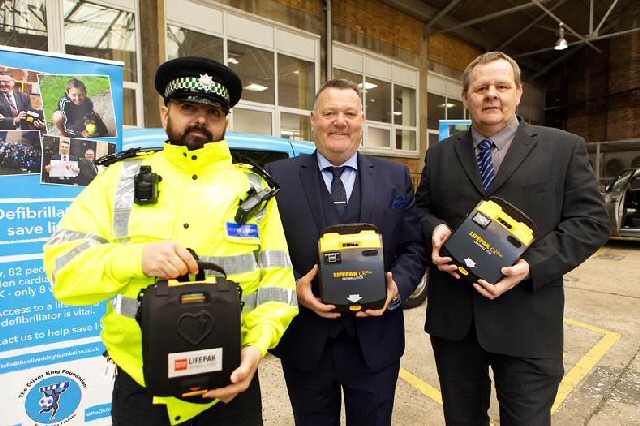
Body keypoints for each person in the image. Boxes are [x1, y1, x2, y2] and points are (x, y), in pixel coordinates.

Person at [43, 56, 299, 425]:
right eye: (187, 107)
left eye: (212, 111)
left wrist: (256, 350)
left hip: (231, 386)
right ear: (165, 113)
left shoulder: (253, 191)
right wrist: (134, 259)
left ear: (225, 121)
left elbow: (278, 287)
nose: (199, 118)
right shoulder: (119, 180)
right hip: (141, 388)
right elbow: (63, 269)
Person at [415, 51, 610, 425]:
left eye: (501, 86)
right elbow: (420, 211)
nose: (491, 94)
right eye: (481, 87)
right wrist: (434, 232)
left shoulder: (563, 148)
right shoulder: (440, 155)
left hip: (528, 322)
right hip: (456, 324)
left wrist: (531, 266)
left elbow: (591, 221)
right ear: (466, 97)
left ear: (518, 93)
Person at [266, 79, 427, 425]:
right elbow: (264, 252)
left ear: (362, 120)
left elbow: (414, 245)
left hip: (375, 343)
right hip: (306, 342)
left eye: (349, 113)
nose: (340, 121)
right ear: (313, 119)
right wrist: (293, 288)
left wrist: (397, 285)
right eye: (330, 113)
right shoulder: (278, 179)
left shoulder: (395, 177)